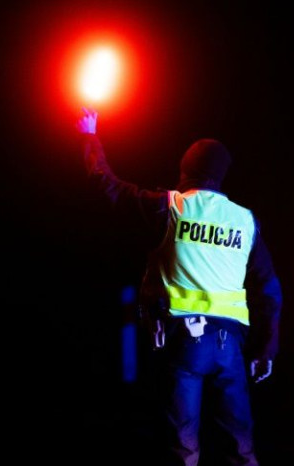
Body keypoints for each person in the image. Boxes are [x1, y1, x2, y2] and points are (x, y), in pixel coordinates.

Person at [77, 107, 283, 465]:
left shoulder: (170, 207)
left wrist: (90, 134)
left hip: (185, 342)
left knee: (183, 445)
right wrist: (267, 347)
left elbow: (105, 185)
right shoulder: (245, 220)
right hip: (230, 347)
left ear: (185, 167)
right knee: (240, 445)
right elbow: (269, 289)